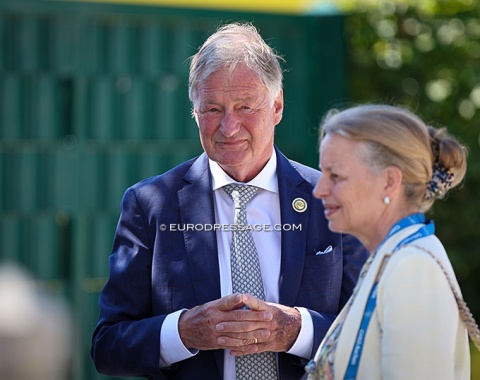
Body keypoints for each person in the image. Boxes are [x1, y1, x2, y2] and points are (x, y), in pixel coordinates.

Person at [91, 22, 368, 380]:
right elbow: (107, 345)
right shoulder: (149, 204)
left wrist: (296, 330)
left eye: (245, 106)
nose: (229, 127)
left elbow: (371, 331)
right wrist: (183, 332)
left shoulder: (331, 199)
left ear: (277, 106)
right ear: (194, 112)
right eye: (212, 110)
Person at [306, 104, 480, 379]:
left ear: (389, 181)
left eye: (335, 176)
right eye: (323, 173)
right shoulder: (394, 258)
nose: (319, 189)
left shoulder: (413, 268)